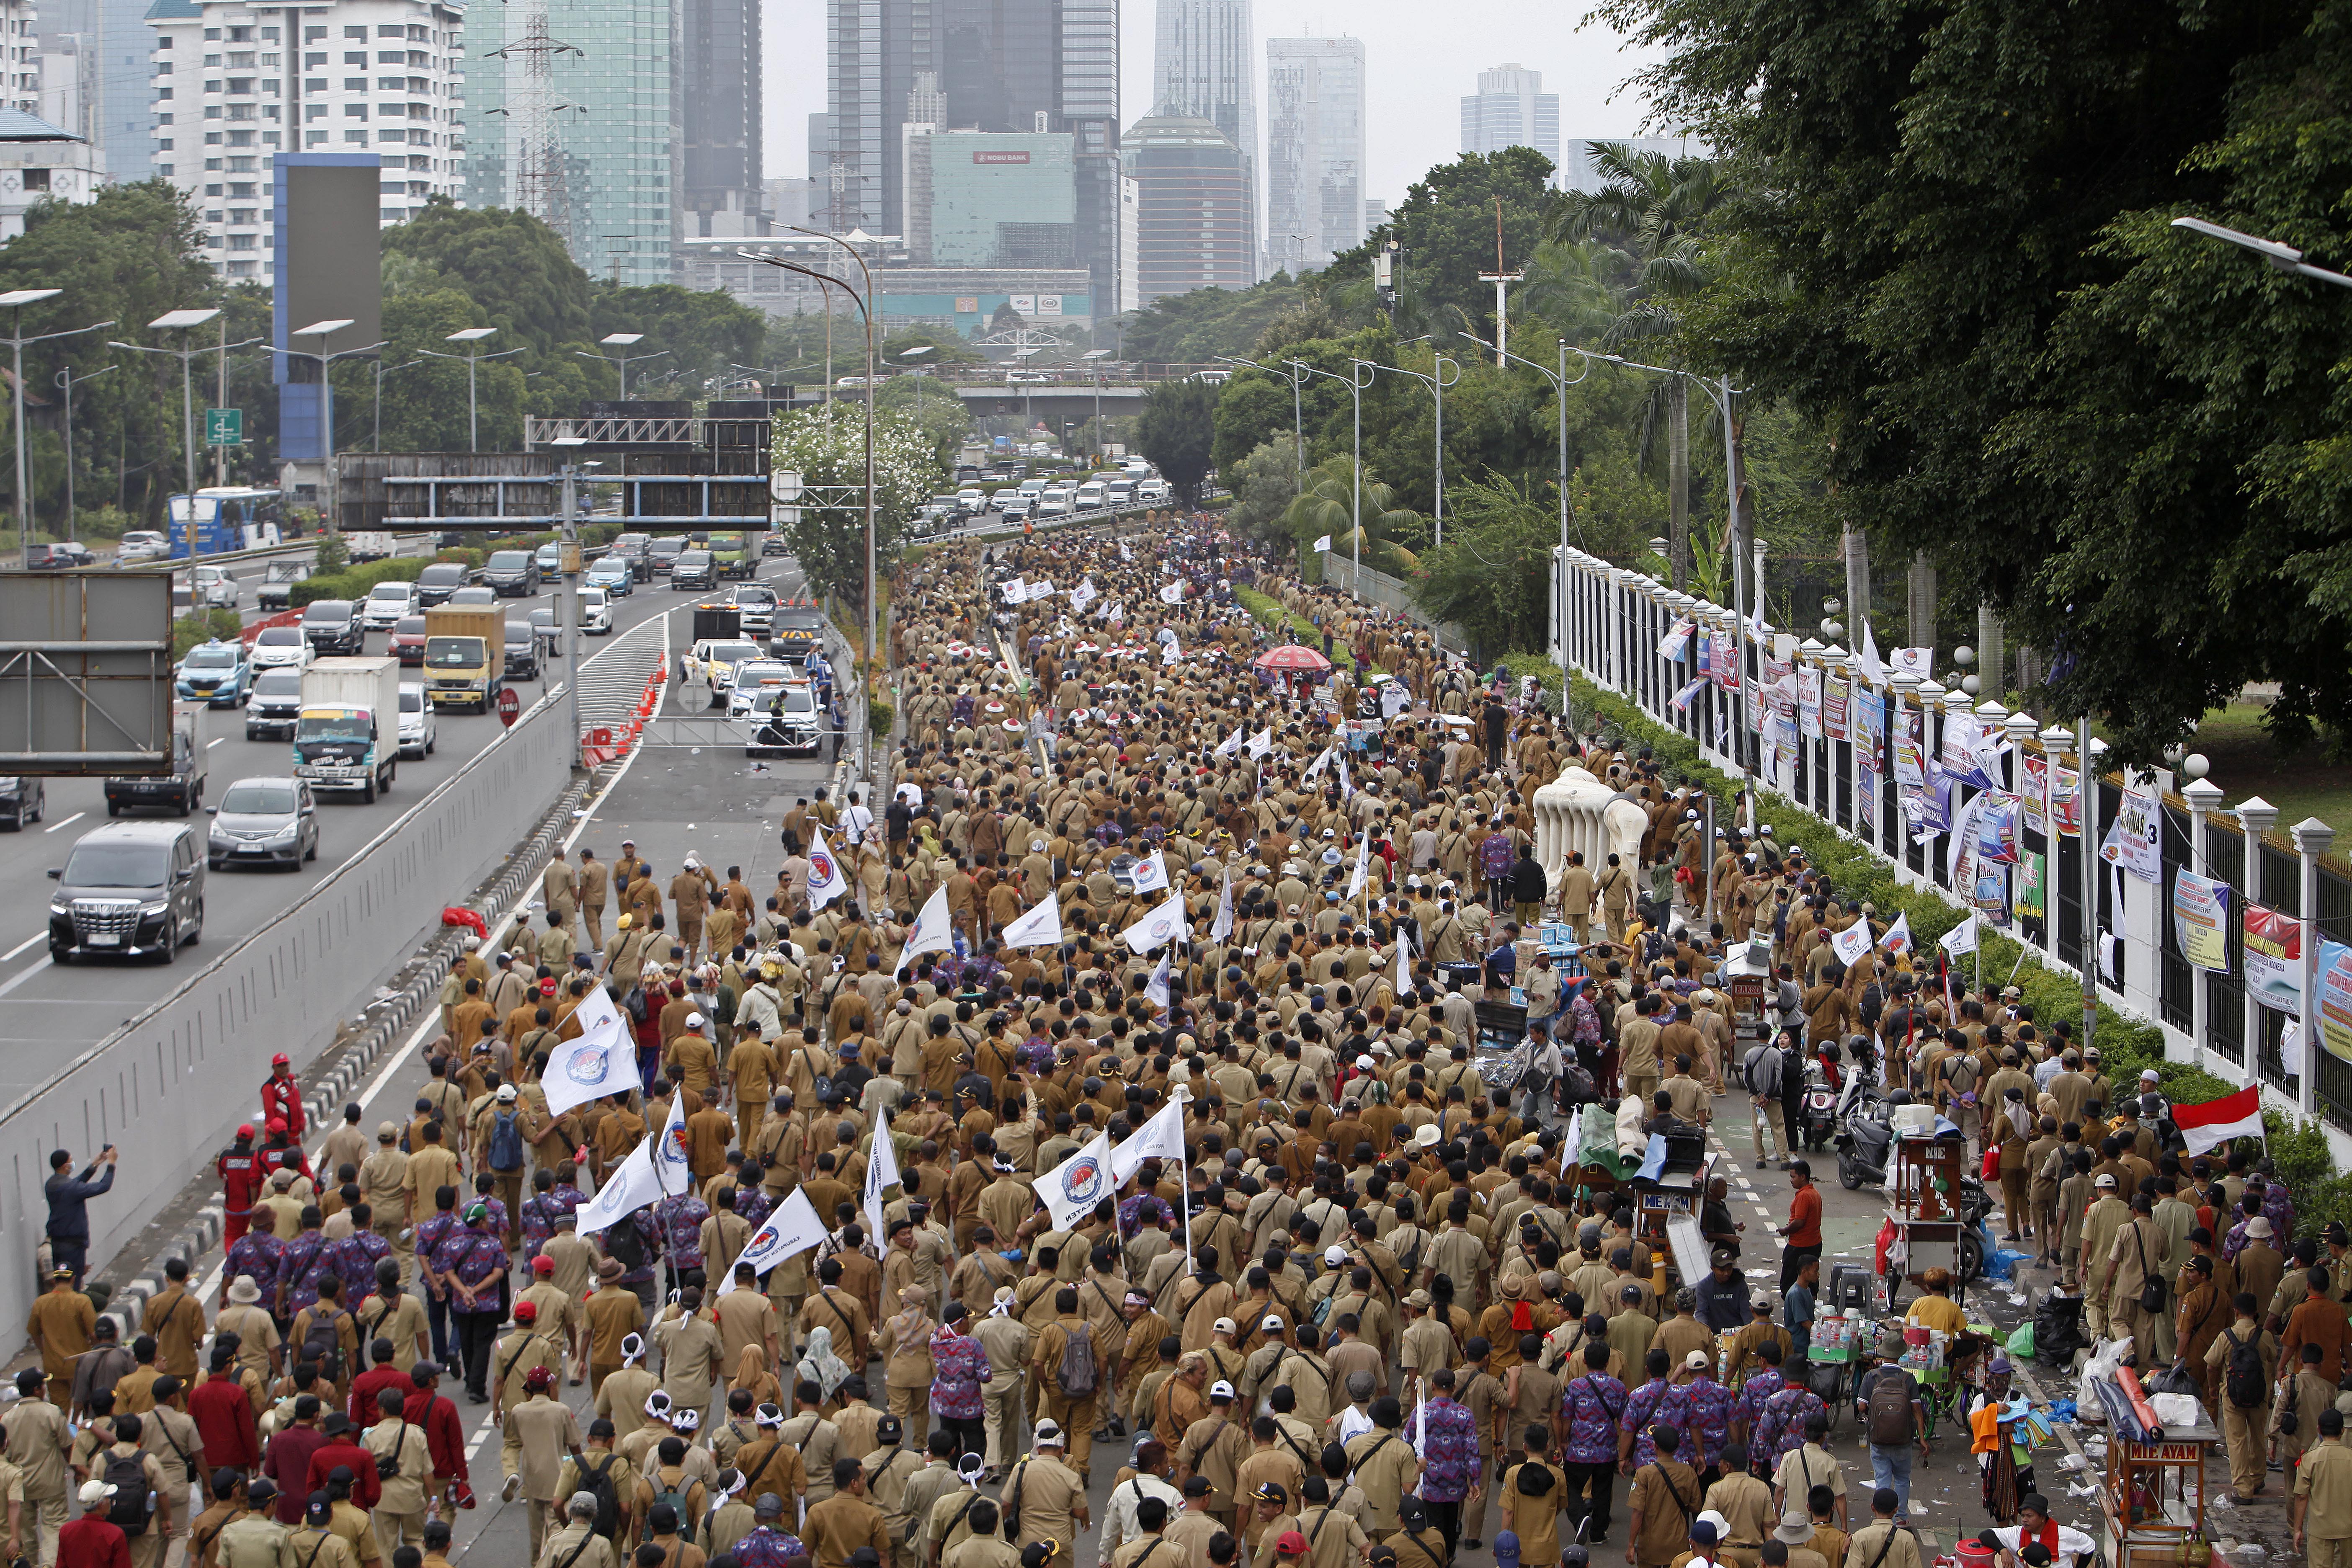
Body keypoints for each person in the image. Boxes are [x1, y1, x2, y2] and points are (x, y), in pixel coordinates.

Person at [1852, 1333, 1927, 1524]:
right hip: (1903, 1439)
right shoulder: (1908, 1379)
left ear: (1883, 1353)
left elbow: (1861, 1407)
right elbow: (1917, 1410)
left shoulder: (1871, 1377)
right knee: (1902, 1477)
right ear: (1901, 1354)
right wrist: (1923, 1438)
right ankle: (1901, 1517)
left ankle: (1883, 1518)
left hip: (1878, 1439)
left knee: (1882, 1479)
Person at [44, 1146, 118, 1286]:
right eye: (71, 1161)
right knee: (73, 1285)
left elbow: (75, 1184)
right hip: (73, 1246)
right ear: (66, 1167)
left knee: (61, 1283)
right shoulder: (71, 1189)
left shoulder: (51, 1184)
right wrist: (111, 1164)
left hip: (57, 1243)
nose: (73, 1163)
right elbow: (104, 1186)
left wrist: (95, 1164)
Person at [1844, 1491, 1921, 1568]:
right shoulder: (1908, 1539)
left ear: (1872, 1507)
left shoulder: (1860, 1537)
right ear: (1896, 1510)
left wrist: (1845, 1554)